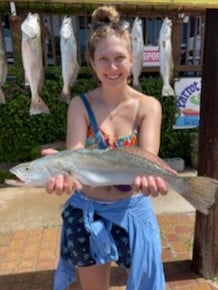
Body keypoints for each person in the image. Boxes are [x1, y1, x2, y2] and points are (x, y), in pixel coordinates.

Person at [42, 5, 175, 290]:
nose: (112, 67)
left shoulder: (148, 106)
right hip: (85, 211)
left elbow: (147, 159)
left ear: (132, 60)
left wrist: (153, 179)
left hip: (132, 210)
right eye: (104, 59)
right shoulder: (79, 106)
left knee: (144, 283)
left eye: (119, 58)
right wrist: (61, 170)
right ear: (92, 62)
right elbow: (75, 160)